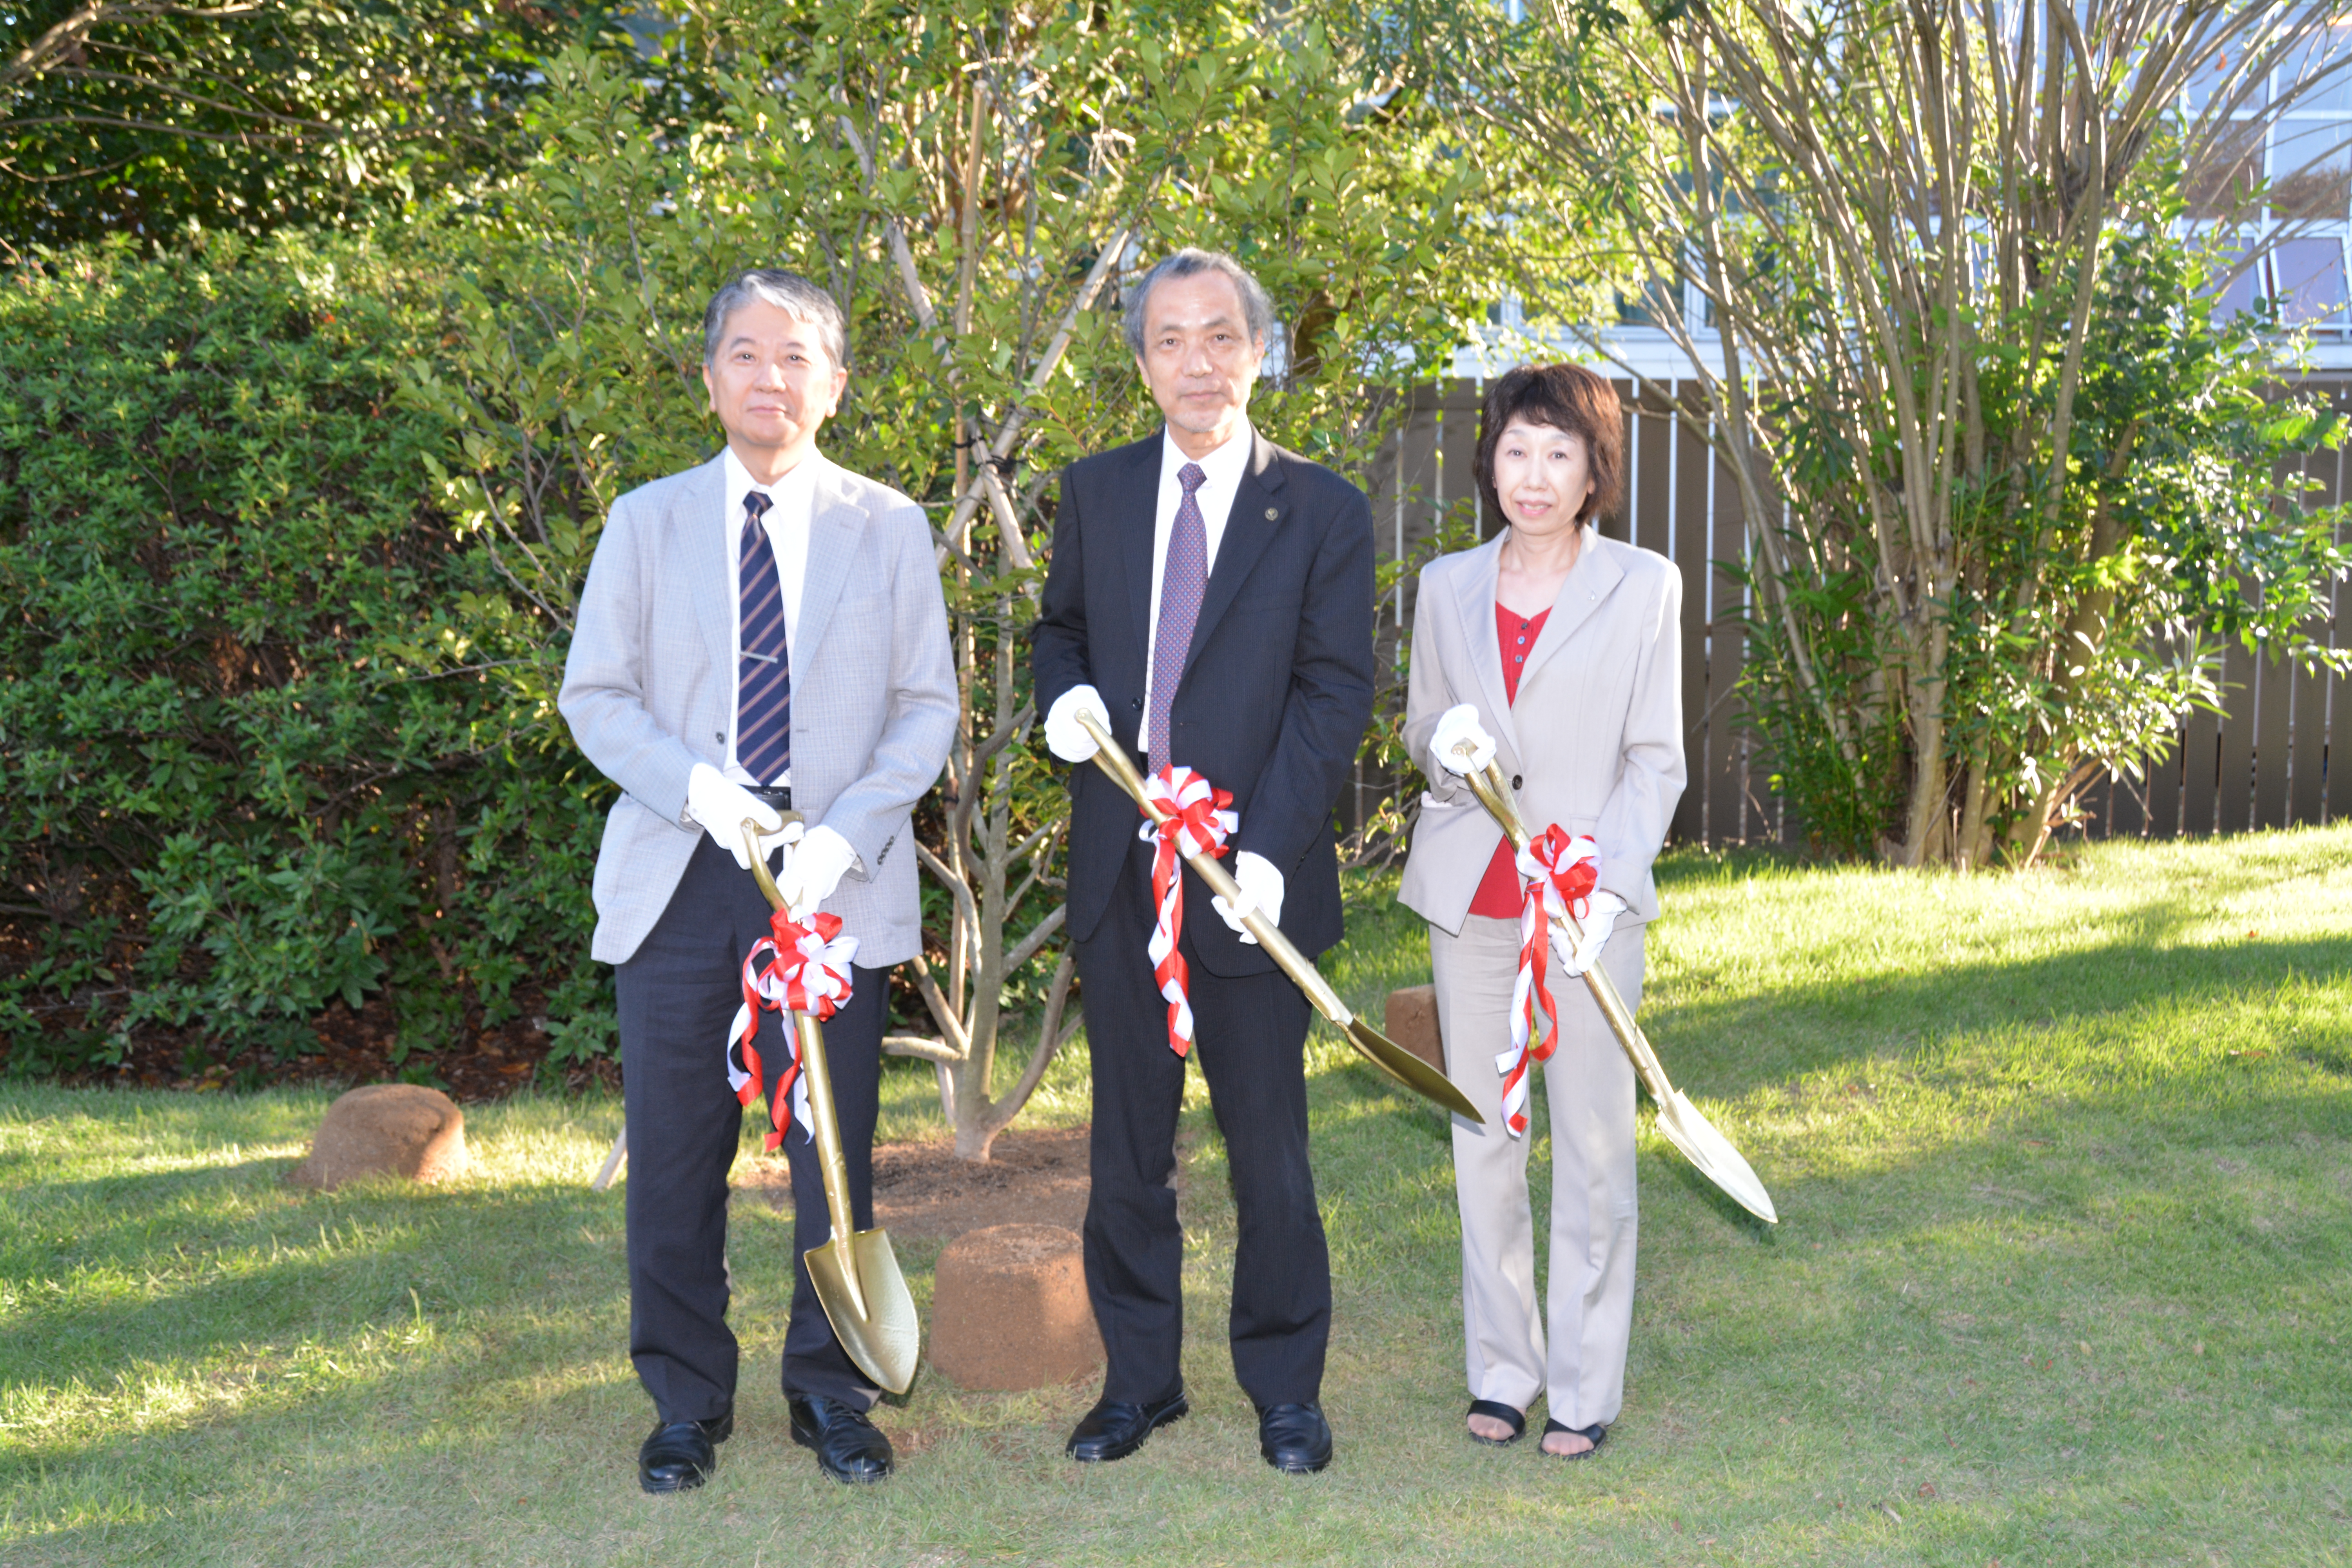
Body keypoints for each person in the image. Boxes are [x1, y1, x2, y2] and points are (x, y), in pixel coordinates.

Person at [559, 269, 955, 1492]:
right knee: (677, 1152)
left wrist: (840, 833)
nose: (768, 378)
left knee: (834, 1153)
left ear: (834, 382)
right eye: (744, 353)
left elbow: (926, 708)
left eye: (795, 358)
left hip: (829, 889)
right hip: (684, 876)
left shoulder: (887, 527)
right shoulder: (647, 519)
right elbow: (596, 698)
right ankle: (686, 1401)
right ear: (711, 375)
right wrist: (706, 793)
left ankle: (829, 1391)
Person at [1031, 248, 1374, 1475]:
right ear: (1140, 362)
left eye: (1222, 336)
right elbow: (1061, 626)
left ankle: (1286, 1385)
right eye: (1171, 339)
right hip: (1124, 871)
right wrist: (1063, 700)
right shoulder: (1098, 490)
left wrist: (1270, 850)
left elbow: (1335, 694)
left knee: (1269, 1149)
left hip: (1248, 891)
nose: (1198, 361)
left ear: (1260, 352)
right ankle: (1141, 1385)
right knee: (1127, 1149)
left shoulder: (1321, 509)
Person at [1397, 362, 1684, 1460]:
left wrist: (1605, 888)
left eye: (1560, 453)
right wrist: (1447, 750)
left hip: (1584, 910)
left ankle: (1583, 1383)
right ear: (1491, 461)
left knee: (1598, 1149)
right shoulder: (1444, 584)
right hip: (1472, 899)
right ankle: (1503, 1370)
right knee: (1485, 1140)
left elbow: (1655, 762)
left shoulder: (1644, 585)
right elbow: (1426, 729)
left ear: (1594, 469)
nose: (1535, 474)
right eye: (1518, 450)